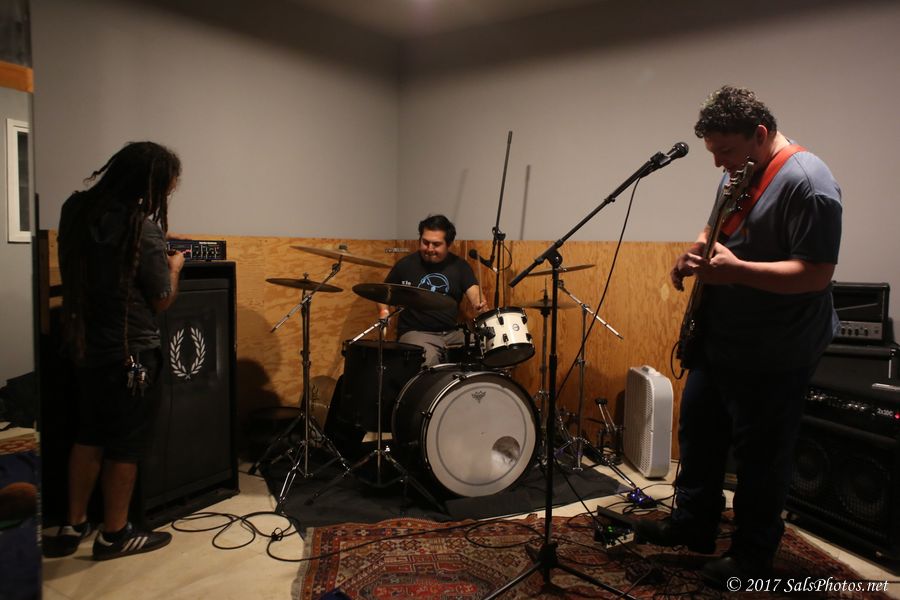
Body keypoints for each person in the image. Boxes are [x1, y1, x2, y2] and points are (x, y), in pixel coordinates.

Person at [633, 86, 842, 586]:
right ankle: (693, 525)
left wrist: (737, 271)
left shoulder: (809, 184)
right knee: (699, 433)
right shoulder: (740, 169)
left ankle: (752, 555)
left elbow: (816, 275)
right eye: (713, 152)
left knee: (760, 456)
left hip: (777, 347)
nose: (717, 163)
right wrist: (695, 250)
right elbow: (716, 229)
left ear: (760, 134)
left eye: (723, 150)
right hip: (722, 336)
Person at [45, 141, 185, 560]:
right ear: (150, 184)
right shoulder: (143, 228)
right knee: (125, 446)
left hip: (85, 348)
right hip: (132, 354)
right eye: (167, 186)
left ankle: (72, 524)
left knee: (88, 434)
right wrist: (174, 268)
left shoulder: (75, 211)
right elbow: (160, 299)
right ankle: (115, 534)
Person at [378, 214, 487, 366]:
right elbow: (383, 293)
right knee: (428, 360)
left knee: (485, 346)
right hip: (416, 333)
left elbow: (474, 291)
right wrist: (384, 311)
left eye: (436, 244)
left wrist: (478, 302)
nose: (429, 249)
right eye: (425, 242)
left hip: (452, 333)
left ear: (448, 244)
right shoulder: (406, 265)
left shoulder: (460, 266)